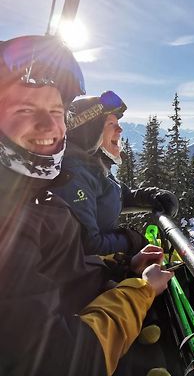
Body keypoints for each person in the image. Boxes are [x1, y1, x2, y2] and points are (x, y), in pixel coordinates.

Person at [0, 35, 174, 376]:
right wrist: (139, 289)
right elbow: (58, 363)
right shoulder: (13, 220)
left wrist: (125, 263)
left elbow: (68, 266)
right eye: (24, 109)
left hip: (98, 308)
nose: (49, 125)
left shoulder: (41, 190)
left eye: (56, 111)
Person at [51, 91, 179, 256]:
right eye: (110, 123)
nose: (120, 128)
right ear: (89, 133)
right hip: (93, 275)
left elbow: (118, 196)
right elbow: (88, 246)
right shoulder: (74, 175)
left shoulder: (93, 167)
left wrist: (152, 196)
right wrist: (132, 240)